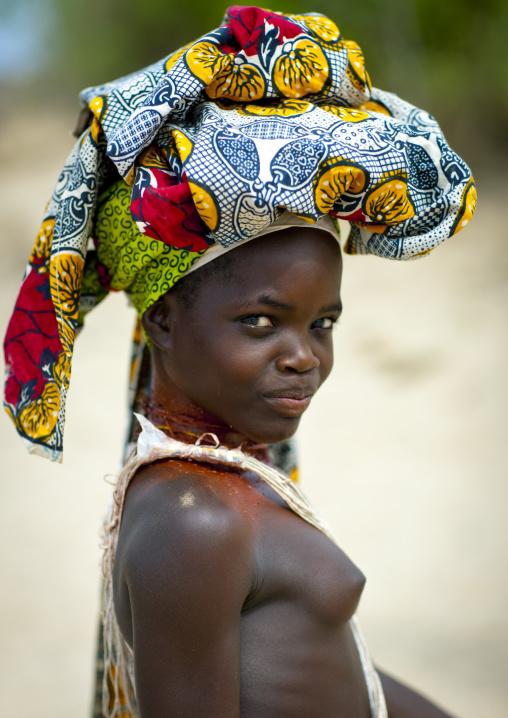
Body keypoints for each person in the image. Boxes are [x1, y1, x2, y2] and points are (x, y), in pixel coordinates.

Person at [3, 6, 475, 717]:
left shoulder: (227, 483)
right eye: (260, 322)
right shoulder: (197, 520)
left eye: (323, 324)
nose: (304, 358)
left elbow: (317, 660)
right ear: (160, 316)